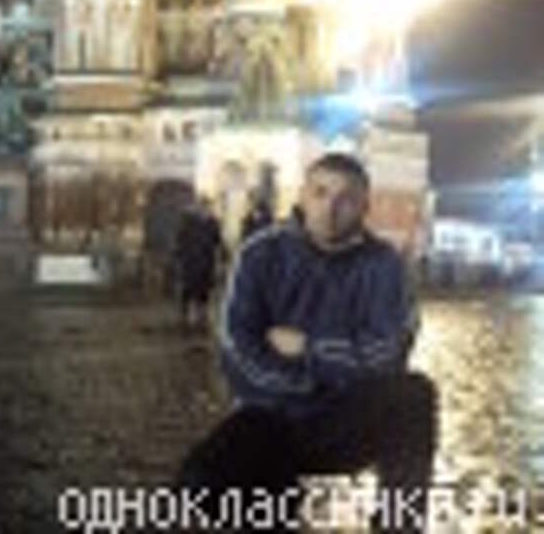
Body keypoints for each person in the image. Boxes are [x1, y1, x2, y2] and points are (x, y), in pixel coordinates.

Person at [177, 153, 438, 533]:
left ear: (364, 207)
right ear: (302, 196)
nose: (331, 208)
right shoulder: (260, 254)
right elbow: (238, 349)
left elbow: (388, 354)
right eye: (321, 193)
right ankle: (274, 512)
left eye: (346, 199)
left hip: (346, 419)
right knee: (199, 483)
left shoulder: (385, 265)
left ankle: (398, 525)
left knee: (413, 396)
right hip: (270, 415)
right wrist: (321, 378)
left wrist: (309, 348)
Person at [173, 196, 224, 331]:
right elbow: (180, 240)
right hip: (191, 261)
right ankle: (185, 318)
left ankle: (202, 318)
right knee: (188, 290)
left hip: (207, 261)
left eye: (207, 207)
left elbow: (218, 241)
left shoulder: (213, 223)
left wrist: (221, 256)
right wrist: (180, 257)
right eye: (203, 207)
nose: (205, 210)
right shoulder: (189, 223)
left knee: (203, 290)